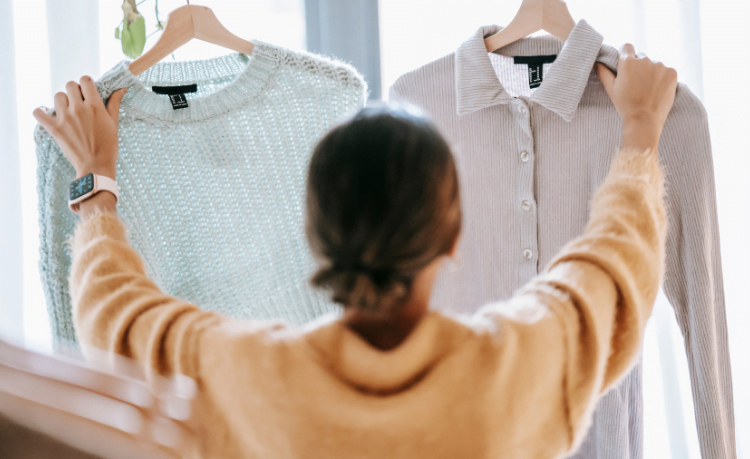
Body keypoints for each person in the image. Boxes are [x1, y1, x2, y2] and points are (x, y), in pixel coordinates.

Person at [33, 43, 676, 459]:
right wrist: (641, 130)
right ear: (453, 237)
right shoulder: (516, 370)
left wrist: (96, 182)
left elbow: (118, 317)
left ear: (315, 236)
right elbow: (612, 268)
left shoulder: (246, 376)